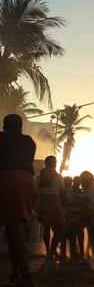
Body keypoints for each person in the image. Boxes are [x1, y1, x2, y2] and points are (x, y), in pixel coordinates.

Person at [0, 114, 37, 286]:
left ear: (4, 126)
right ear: (21, 127)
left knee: (14, 233)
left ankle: (27, 278)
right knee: (13, 230)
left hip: (7, 181)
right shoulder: (29, 142)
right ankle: (17, 271)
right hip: (27, 184)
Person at [36, 155, 65, 258]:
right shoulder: (58, 177)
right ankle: (53, 249)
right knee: (61, 228)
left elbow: (36, 191)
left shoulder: (39, 177)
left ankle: (48, 251)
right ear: (55, 164)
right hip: (55, 202)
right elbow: (62, 192)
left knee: (46, 228)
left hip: (43, 202)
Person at [79, 171, 94, 257]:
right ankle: (84, 250)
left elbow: (86, 198)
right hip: (89, 210)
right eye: (83, 178)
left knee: (92, 232)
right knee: (83, 230)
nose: (84, 180)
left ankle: (90, 251)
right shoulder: (87, 187)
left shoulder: (93, 186)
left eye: (86, 178)